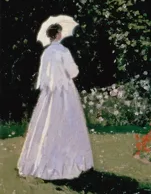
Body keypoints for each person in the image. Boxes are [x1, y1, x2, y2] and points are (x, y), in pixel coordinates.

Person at [17, 23, 94, 180]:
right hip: (65, 92)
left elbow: (43, 76)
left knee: (46, 123)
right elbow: (73, 72)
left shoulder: (46, 53)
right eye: (60, 32)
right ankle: (70, 164)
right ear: (58, 34)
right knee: (68, 122)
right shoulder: (63, 51)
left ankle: (42, 162)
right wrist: (74, 69)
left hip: (49, 94)